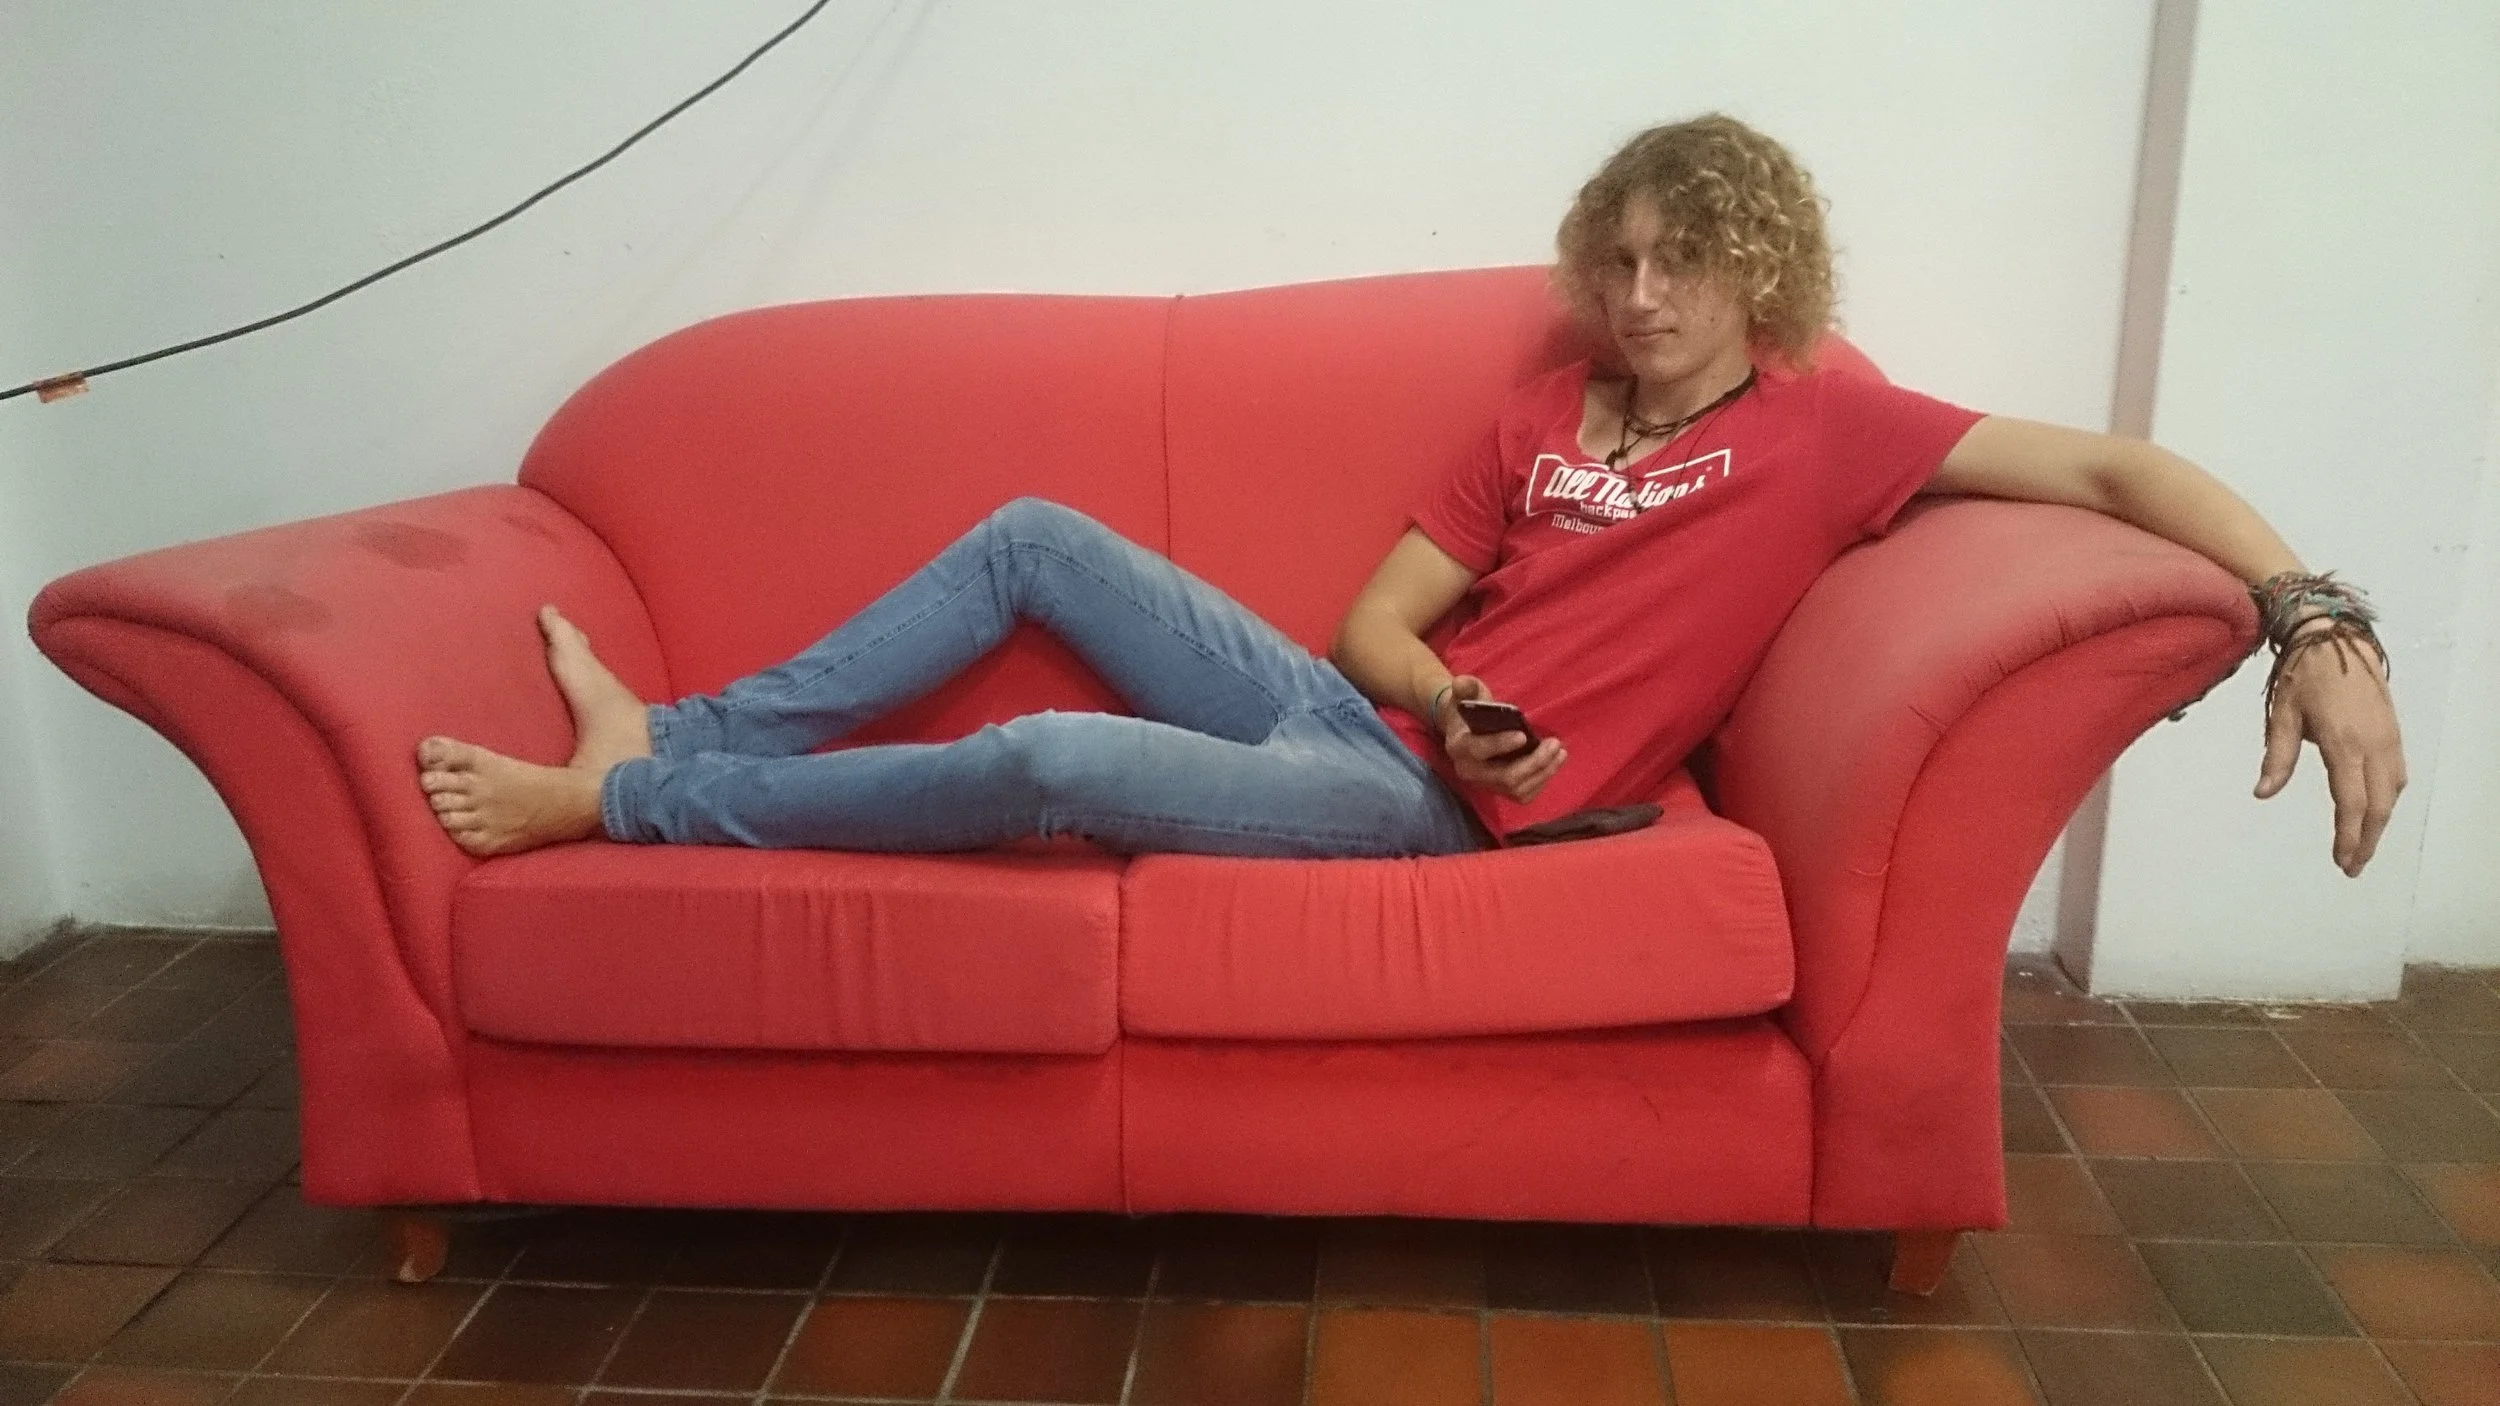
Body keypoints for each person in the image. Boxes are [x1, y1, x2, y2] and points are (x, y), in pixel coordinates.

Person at [418, 114, 2405, 876]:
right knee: (1031, 534)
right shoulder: (1539, 414)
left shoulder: (1825, 427)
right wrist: (1440, 684)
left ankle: (627, 802)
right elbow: (1377, 618)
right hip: (1364, 717)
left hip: (1433, 811)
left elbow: (2114, 464)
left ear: (1757, 271)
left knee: (1041, 757)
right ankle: (678, 730)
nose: (1642, 296)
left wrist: (2307, 613)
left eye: (1684, 262)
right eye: (1620, 258)